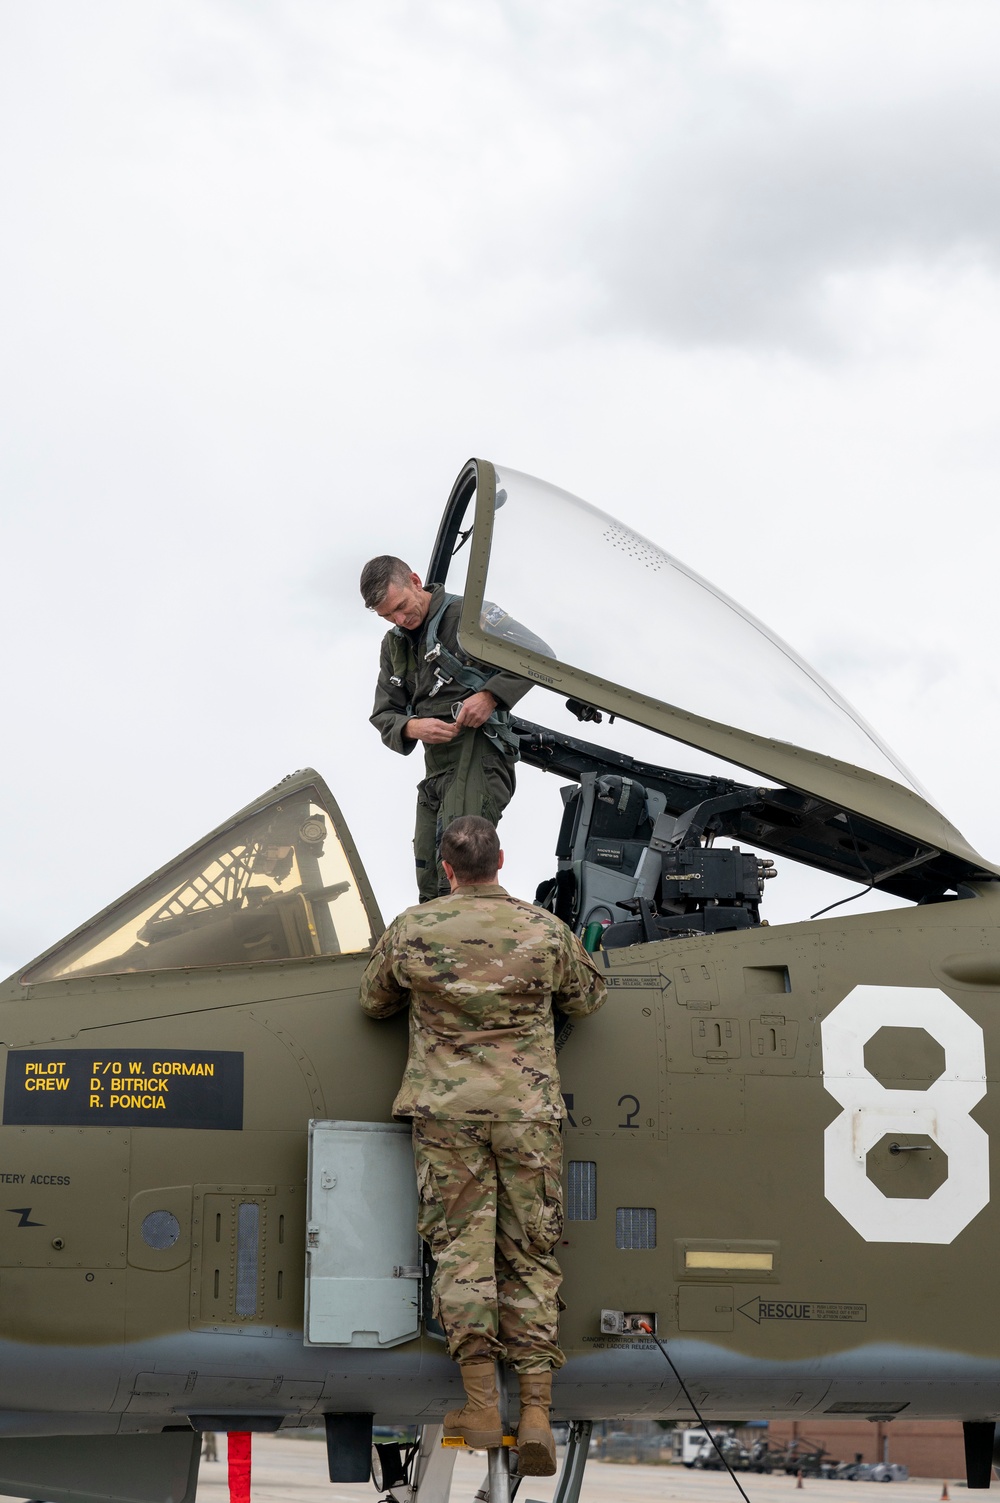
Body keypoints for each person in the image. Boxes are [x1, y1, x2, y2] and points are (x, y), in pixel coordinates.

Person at [359, 816, 608, 1477]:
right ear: (501, 858)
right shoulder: (544, 931)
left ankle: (479, 1405)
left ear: (447, 867)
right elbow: (586, 1000)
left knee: (462, 1252)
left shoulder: (415, 929)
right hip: (528, 1113)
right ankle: (534, 1412)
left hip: (448, 1115)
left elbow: (373, 1001)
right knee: (531, 1254)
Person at [360, 555, 531, 903]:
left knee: (463, 877)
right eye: (388, 616)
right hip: (436, 768)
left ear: (415, 581)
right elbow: (384, 713)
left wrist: (490, 696)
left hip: (478, 755)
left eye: (402, 607)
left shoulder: (468, 615)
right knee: (430, 878)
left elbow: (535, 655)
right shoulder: (394, 644)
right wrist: (413, 727)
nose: (400, 619)